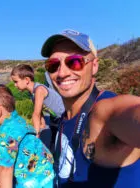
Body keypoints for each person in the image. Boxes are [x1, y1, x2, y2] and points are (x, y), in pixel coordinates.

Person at [41, 29, 140, 187]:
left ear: (94, 66)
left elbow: (130, 112)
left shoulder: (103, 111)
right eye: (53, 65)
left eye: (74, 62)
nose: (62, 73)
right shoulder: (64, 118)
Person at [0, 85, 55, 188]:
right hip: (48, 175)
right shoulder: (18, 121)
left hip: (33, 182)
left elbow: (5, 169)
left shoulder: (7, 133)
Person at [10, 64, 64, 140]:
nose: (15, 85)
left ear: (27, 80)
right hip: (56, 120)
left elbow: (36, 114)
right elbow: (40, 113)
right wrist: (41, 125)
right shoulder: (32, 93)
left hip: (65, 117)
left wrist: (36, 135)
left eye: (16, 82)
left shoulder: (39, 90)